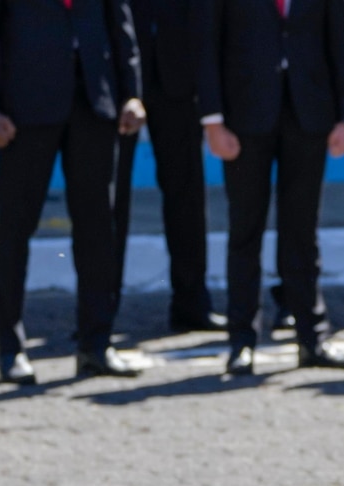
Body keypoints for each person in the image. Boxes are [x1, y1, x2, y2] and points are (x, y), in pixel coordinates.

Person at [0, 0, 147, 384]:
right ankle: (11, 350)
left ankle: (95, 346)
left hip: (94, 104)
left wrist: (132, 93)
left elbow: (121, 25)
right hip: (25, 109)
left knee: (98, 231)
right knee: (16, 227)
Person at [197, 0, 344, 375]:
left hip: (309, 113)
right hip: (243, 115)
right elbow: (206, 44)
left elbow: (339, 44)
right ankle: (242, 341)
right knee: (245, 230)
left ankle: (312, 338)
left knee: (302, 231)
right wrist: (213, 120)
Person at [113, 0, 225, 335]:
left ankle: (192, 303)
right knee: (109, 199)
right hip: (118, 78)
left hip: (180, 76)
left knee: (187, 196)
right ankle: (98, 312)